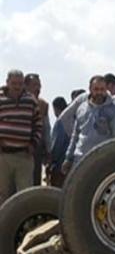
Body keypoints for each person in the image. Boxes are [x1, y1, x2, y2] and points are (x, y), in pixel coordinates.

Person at [62, 76, 115, 173]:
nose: (99, 92)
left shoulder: (114, 111)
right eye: (96, 89)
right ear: (90, 89)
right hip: (80, 160)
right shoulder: (82, 108)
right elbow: (75, 136)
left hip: (102, 161)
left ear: (106, 90)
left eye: (102, 89)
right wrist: (68, 158)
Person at [0, 70, 43, 206]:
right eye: (14, 83)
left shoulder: (30, 101)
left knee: (25, 195)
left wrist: (33, 144)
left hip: (24, 155)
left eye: (20, 83)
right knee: (2, 194)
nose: (17, 87)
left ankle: (24, 220)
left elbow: (38, 125)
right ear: (7, 83)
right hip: (3, 155)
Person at [24, 73, 51, 185]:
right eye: (34, 85)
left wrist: (48, 150)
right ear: (25, 86)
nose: (38, 88)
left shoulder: (42, 104)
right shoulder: (16, 101)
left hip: (36, 149)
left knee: (35, 181)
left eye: (39, 85)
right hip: (17, 148)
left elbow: (46, 129)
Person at [48, 97, 70, 187]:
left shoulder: (61, 121)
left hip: (61, 163)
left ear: (56, 109)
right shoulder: (73, 118)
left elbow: (57, 144)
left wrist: (51, 160)